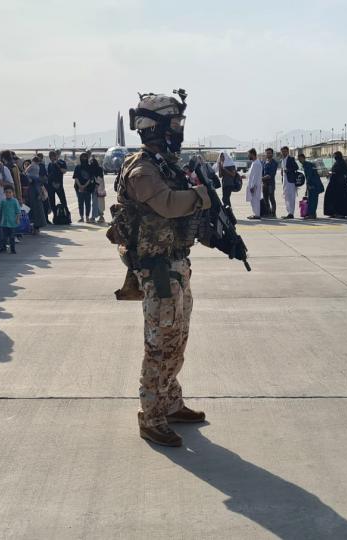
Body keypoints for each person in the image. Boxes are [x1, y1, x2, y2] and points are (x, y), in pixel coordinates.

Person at [112, 91, 211, 447]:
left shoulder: (164, 164)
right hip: (157, 272)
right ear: (156, 126)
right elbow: (168, 205)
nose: (179, 129)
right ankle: (151, 416)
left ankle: (170, 402)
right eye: (175, 122)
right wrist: (202, 197)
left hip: (176, 265)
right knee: (159, 345)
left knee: (177, 340)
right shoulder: (142, 169)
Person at [324, 152, 347, 219]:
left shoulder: (341, 163)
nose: (334, 157)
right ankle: (334, 212)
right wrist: (331, 173)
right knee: (332, 198)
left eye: (335, 156)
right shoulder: (337, 163)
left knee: (340, 199)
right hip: (334, 183)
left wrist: (332, 173)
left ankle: (340, 213)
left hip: (340, 183)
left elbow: (340, 172)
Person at [25, 153, 49, 234]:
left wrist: (27, 175)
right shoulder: (38, 167)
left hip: (33, 190)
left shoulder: (32, 166)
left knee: (33, 210)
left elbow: (26, 171)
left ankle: (34, 227)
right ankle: (35, 228)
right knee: (36, 210)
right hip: (35, 189)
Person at [300, 151, 324, 219]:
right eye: (299, 159)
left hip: (313, 185)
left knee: (312, 200)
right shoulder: (307, 164)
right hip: (314, 184)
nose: (300, 160)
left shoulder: (308, 165)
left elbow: (309, 176)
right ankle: (312, 214)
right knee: (313, 200)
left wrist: (309, 185)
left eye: (300, 159)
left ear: (304, 158)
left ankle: (312, 214)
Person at [0, 185, 20, 253]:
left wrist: (17, 219)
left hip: (12, 222)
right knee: (3, 237)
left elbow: (18, 211)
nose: (8, 194)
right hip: (4, 222)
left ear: (13, 193)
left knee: (12, 237)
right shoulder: (3, 201)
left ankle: (13, 249)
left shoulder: (15, 201)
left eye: (10, 192)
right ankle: (3, 248)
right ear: (4, 193)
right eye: (6, 192)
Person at [73, 153, 95, 222]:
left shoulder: (90, 167)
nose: (84, 159)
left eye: (85, 157)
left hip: (88, 188)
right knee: (80, 203)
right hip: (79, 188)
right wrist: (80, 186)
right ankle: (82, 217)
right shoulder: (77, 167)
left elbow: (90, 178)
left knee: (88, 203)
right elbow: (75, 177)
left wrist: (84, 186)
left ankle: (87, 217)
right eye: (82, 157)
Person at [46, 150, 68, 214]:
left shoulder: (61, 162)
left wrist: (57, 165)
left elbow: (64, 171)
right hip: (51, 186)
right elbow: (48, 175)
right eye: (50, 157)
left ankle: (67, 214)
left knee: (63, 201)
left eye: (53, 156)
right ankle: (55, 215)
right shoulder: (50, 164)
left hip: (59, 185)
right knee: (52, 202)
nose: (52, 158)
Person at [280, 146, 299, 219]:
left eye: (285, 151)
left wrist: (288, 170)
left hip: (290, 181)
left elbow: (296, 167)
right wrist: (282, 171)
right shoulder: (282, 159)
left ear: (288, 151)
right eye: (282, 151)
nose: (283, 153)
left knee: (291, 197)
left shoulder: (291, 159)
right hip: (285, 181)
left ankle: (291, 213)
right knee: (286, 196)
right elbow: (283, 168)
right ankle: (289, 212)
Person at [244, 148, 263, 219]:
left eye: (249, 155)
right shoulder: (254, 163)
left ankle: (257, 215)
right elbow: (251, 174)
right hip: (253, 185)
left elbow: (256, 176)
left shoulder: (257, 163)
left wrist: (253, 186)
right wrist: (244, 176)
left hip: (255, 186)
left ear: (252, 154)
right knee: (253, 200)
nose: (248, 156)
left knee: (255, 200)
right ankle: (255, 214)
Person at [261, 148, 278, 218]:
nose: (268, 154)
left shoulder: (274, 163)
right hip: (264, 184)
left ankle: (273, 213)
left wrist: (261, 178)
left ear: (272, 154)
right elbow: (262, 172)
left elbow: (271, 175)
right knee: (265, 199)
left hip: (270, 184)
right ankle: (268, 212)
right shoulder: (264, 162)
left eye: (269, 153)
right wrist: (262, 179)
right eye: (267, 153)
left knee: (271, 198)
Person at [91, 156, 108, 224]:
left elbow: (99, 178)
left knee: (98, 203)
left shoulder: (98, 169)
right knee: (97, 203)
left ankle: (98, 217)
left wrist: (96, 186)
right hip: (99, 189)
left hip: (99, 189)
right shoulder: (98, 169)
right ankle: (98, 217)